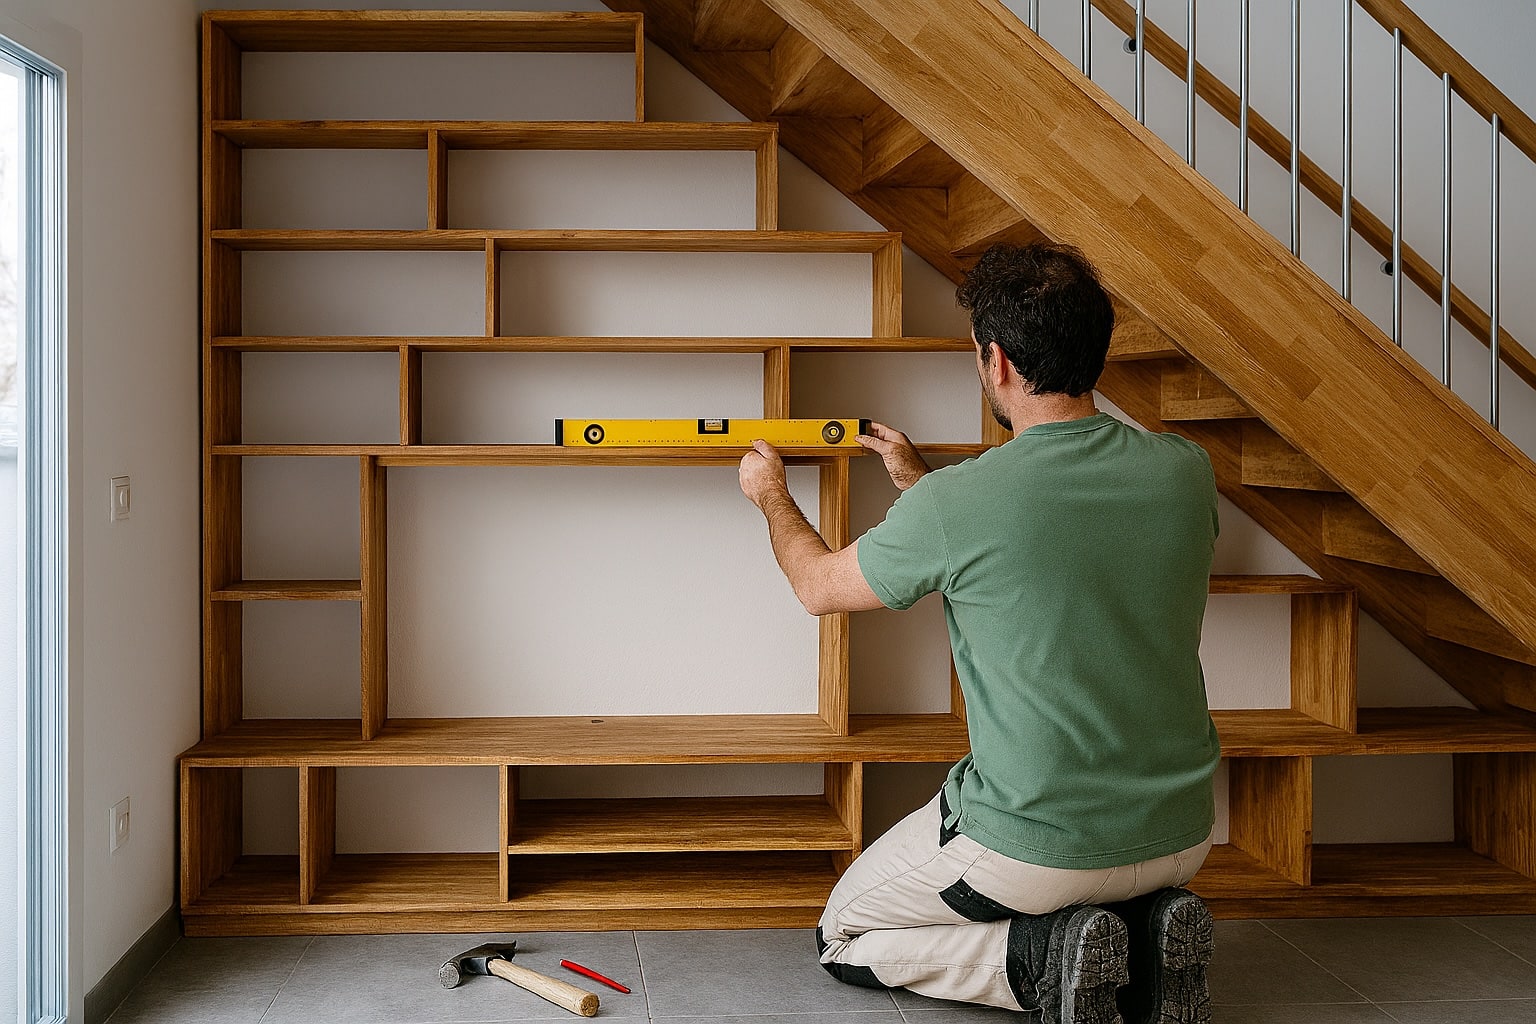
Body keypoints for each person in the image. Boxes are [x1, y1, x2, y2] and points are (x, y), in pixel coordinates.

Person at [737, 241, 1221, 1024]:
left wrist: (769, 494)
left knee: (842, 931)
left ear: (994, 360)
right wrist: (923, 488)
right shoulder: (1184, 469)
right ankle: (1146, 937)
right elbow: (1051, 556)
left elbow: (816, 587)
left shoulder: (962, 504)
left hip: (1037, 848)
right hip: (1182, 833)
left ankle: (1034, 959)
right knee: (1106, 883)